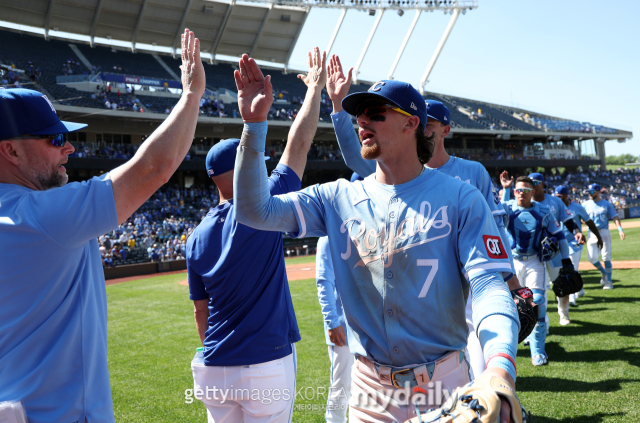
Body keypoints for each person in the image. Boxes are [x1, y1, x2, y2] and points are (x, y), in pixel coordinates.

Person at [233, 56, 520, 423]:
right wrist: (254, 125)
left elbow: (488, 287)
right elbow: (254, 211)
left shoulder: (461, 198)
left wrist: (499, 368)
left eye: (375, 112)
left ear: (411, 123)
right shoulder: (335, 197)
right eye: (360, 113)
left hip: (444, 384)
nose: (362, 120)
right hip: (369, 390)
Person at [0, 29, 205, 423]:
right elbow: (153, 169)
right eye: (55, 138)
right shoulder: (44, 215)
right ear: (10, 150)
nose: (70, 147)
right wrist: (191, 95)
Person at [324, 54, 523, 380]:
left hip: (473, 275)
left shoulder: (470, 173)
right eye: (423, 123)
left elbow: (494, 228)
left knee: (481, 352)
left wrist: (507, 275)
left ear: (442, 129)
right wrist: (336, 107)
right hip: (417, 288)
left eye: (430, 124)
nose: (425, 130)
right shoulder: (393, 168)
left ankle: (491, 394)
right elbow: (353, 153)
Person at [185, 47, 326, 423]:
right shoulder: (266, 201)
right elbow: (300, 144)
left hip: (213, 365)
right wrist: (315, 89)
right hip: (265, 362)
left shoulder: (195, 236)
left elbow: (201, 312)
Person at [500, 176, 573, 366]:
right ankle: (511, 347)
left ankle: (538, 352)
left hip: (534, 261)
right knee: (510, 305)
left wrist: (566, 262)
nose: (520, 194)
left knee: (537, 301)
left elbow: (560, 236)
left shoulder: (544, 212)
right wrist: (506, 189)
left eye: (525, 190)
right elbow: (495, 215)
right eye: (517, 190)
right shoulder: (506, 208)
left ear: (533, 192)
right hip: (512, 262)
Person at [314, 172, 362, 423]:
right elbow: (324, 281)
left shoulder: (371, 231)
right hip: (343, 323)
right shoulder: (328, 236)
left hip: (367, 322)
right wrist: (332, 321)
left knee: (366, 381)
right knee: (342, 380)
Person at [554, 185, 603, 311]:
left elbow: (589, 222)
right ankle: (579, 289)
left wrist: (599, 237)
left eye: (560, 196)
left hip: (574, 241)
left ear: (566, 195)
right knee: (559, 269)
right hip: (559, 242)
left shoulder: (577, 207)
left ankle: (572, 297)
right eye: (556, 196)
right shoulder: (554, 207)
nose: (558, 198)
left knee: (572, 266)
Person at [582, 183, 625, 289]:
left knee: (606, 257)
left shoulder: (606, 204)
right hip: (591, 233)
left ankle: (608, 282)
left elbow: (615, 217)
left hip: (604, 232)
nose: (590, 194)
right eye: (589, 192)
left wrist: (620, 230)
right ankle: (604, 273)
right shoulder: (585, 204)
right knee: (592, 258)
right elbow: (581, 218)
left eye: (592, 191)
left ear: (598, 192)